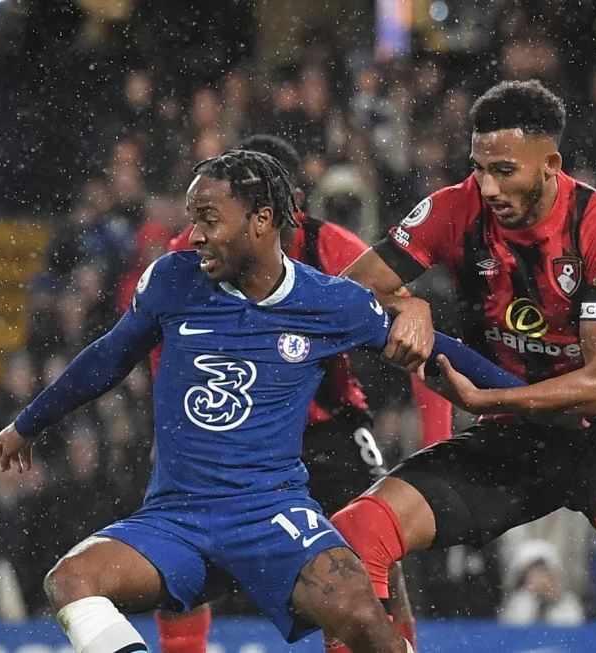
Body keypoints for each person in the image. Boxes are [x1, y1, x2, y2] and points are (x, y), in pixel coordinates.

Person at [0, 149, 518, 653]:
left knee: (363, 619)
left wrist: (524, 399)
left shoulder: (328, 300)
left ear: (262, 221)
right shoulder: (173, 280)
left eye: (209, 219)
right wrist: (28, 423)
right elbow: (107, 357)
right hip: (176, 518)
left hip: (272, 516)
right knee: (71, 581)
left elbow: (436, 350)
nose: (193, 236)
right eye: (192, 218)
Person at [327, 80, 596, 653]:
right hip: (511, 435)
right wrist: (407, 304)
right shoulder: (451, 208)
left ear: (550, 165)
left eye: (503, 171)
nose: (487, 186)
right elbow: (344, 297)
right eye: (477, 169)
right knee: (355, 534)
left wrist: (485, 402)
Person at [151, 134, 439, 652]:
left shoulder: (335, 248)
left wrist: (436, 445)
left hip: (329, 429)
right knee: (181, 550)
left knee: (374, 556)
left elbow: (418, 340)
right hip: (234, 435)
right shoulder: (191, 255)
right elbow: (157, 347)